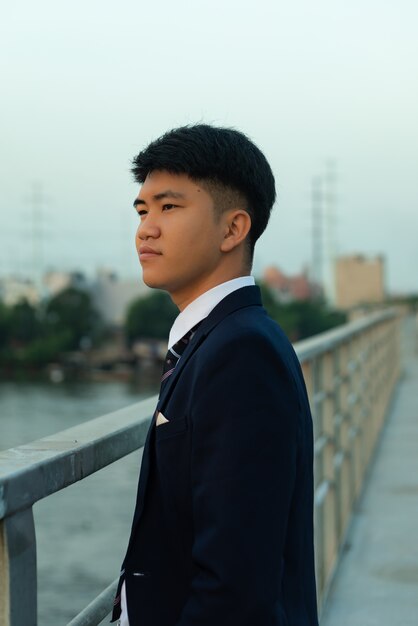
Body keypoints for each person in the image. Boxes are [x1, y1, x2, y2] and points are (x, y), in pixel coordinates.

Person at [112, 124, 318, 626]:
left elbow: (235, 587)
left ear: (233, 229)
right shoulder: (219, 338)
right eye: (143, 210)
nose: (146, 228)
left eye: (170, 207)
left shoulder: (242, 353)